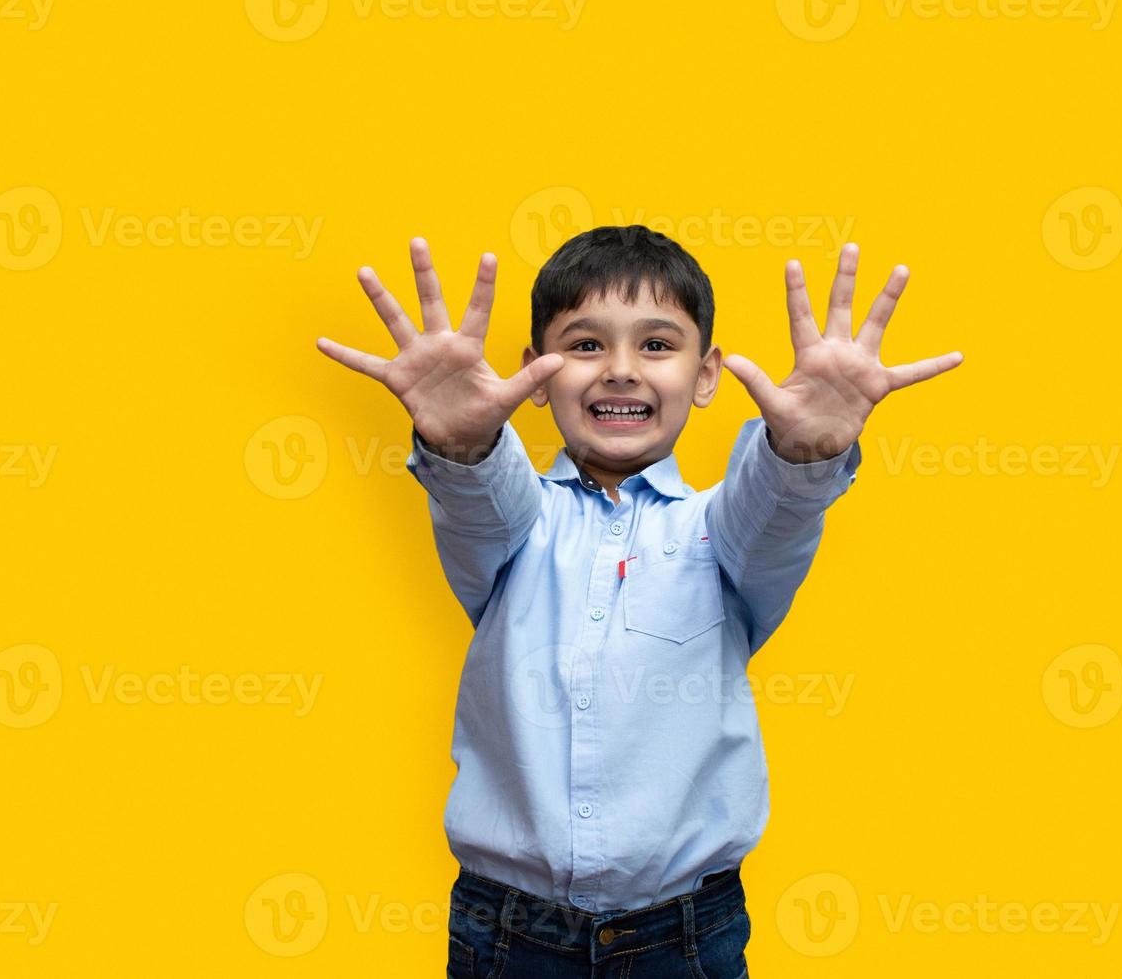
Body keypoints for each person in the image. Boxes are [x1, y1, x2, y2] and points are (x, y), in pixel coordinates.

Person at [316, 225, 963, 977]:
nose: (620, 370)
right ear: (535, 373)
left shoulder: (720, 534)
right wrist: (462, 445)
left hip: (686, 937)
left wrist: (806, 453)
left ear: (706, 374)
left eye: (657, 345)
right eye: (586, 345)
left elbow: (773, 508)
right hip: (507, 934)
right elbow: (480, 500)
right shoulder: (518, 521)